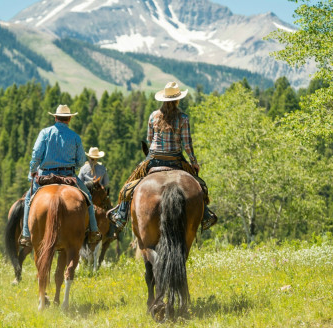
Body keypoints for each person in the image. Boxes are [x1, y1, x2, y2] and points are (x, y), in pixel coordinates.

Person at [108, 81, 217, 232]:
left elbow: (149, 138)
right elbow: (187, 144)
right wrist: (194, 162)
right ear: (177, 99)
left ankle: (120, 215)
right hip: (176, 159)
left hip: (154, 158)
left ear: (164, 99)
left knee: (129, 185)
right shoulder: (183, 118)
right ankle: (205, 215)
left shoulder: (154, 116)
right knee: (200, 186)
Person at [19, 104, 102, 247]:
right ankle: (94, 231)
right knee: (87, 197)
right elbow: (81, 160)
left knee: (28, 198)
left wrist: (33, 170)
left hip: (45, 175)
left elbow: (36, 155)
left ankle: (26, 234)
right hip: (68, 176)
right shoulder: (75, 137)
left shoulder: (45, 133)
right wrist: (72, 166)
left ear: (55, 117)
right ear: (69, 119)